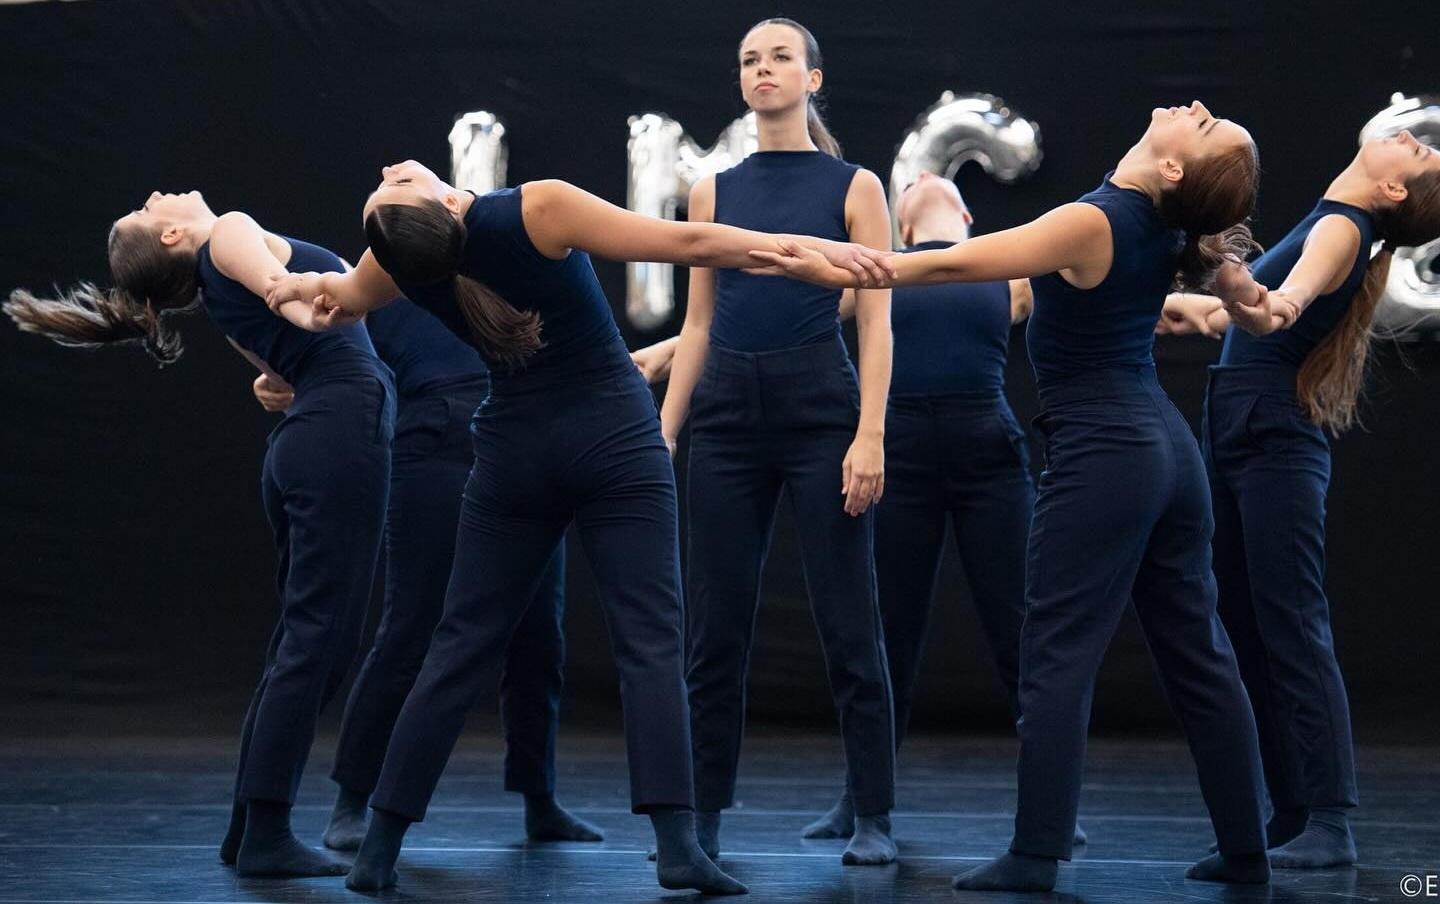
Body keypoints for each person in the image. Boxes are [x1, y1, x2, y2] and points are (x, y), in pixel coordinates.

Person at [265, 158, 892, 893]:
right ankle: (678, 846)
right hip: (611, 437)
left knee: (458, 646)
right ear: (445, 203)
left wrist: (285, 297)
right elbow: (691, 243)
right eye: (393, 185)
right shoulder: (537, 209)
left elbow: (338, 301)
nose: (387, 170)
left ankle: (378, 850)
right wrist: (814, 249)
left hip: (512, 453)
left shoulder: (398, 258)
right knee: (650, 640)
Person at [749, 101, 1274, 891]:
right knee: (1199, 652)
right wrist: (1241, 295)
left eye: (1205, 126)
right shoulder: (1163, 226)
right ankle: (1245, 847)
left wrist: (838, 263)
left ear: (1173, 169)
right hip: (1165, 450)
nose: (1196, 107)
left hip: (1107, 452)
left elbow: (951, 265)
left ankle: (1035, 854)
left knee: (1055, 656)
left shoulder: (1095, 222)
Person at [5, 192, 393, 877]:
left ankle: (249, 829)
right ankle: (264, 833)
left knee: (303, 641)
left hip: (310, 439)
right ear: (172, 234)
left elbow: (279, 380)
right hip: (336, 436)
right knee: (318, 644)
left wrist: (291, 351)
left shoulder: (215, 290)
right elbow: (280, 294)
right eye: (147, 208)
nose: (157, 196)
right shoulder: (228, 233)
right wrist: (309, 306)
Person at [655, 17, 898, 865]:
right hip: (727, 417)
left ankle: (873, 815)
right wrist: (665, 431)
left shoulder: (856, 186)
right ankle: (701, 819)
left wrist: (870, 433)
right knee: (714, 629)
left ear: (812, 79)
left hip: (820, 410)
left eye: (780, 57)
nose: (763, 69)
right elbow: (698, 323)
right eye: (750, 60)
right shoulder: (712, 191)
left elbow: (876, 321)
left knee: (849, 621)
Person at [1164, 129, 1440, 868]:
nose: (1413, 138)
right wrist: (1183, 299)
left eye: (1420, 154)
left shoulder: (1342, 227)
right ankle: (1289, 809)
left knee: (1291, 622)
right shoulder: (1331, 219)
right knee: (1245, 626)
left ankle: (1329, 818)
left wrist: (1240, 287)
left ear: (1393, 190)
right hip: (1238, 420)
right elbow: (1227, 318)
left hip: (1274, 436)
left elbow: (1276, 310)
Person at [251, 295, 603, 851]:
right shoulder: (381, 276)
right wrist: (287, 378)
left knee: (539, 636)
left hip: (520, 434)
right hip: (434, 435)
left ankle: (540, 797)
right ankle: (351, 801)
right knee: (411, 628)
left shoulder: (513, 264)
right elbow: (335, 346)